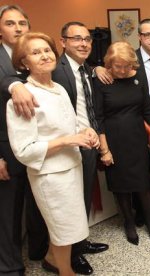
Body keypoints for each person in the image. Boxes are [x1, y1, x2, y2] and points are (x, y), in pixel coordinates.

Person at [5, 21, 109, 275]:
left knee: (69, 226)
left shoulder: (60, 89)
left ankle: (52, 258)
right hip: (50, 176)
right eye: (36, 52)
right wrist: (68, 141)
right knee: (64, 230)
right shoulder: (23, 98)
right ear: (23, 62)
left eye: (47, 50)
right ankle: (65, 270)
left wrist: (84, 132)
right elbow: (25, 150)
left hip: (71, 167)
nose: (45, 55)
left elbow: (70, 126)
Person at [94, 41, 150, 245]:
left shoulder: (138, 78)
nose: (122, 70)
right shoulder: (101, 81)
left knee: (143, 185)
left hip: (137, 141)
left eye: (126, 66)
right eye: (117, 66)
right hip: (114, 143)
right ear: (109, 64)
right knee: (121, 187)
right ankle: (129, 224)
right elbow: (98, 117)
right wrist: (104, 150)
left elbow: (147, 110)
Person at [0, 5, 48, 275]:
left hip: (38, 147)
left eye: (22, 23)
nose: (17, 28)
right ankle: (10, 268)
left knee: (38, 206)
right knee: (9, 213)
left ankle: (40, 254)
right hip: (7, 149)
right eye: (10, 23)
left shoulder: (34, 57)